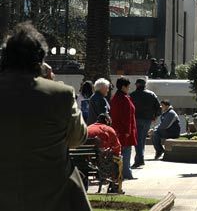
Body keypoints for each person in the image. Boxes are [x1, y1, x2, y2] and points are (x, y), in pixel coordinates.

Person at [0, 23, 91, 211]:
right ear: (40, 60)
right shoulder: (61, 94)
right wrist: (51, 83)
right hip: (52, 198)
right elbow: (77, 138)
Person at [110, 77, 138, 180]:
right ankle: (126, 173)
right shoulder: (125, 98)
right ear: (123, 86)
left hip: (117, 129)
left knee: (119, 152)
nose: (128, 88)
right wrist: (127, 131)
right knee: (126, 152)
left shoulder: (115, 97)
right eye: (127, 86)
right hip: (125, 131)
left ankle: (119, 173)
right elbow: (127, 116)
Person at [130, 78, 161, 168]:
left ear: (136, 85)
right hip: (147, 120)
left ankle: (139, 160)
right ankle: (140, 159)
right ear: (145, 85)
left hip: (136, 119)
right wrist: (154, 116)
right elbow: (158, 108)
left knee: (138, 140)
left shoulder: (132, 95)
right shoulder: (151, 94)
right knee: (142, 139)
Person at [88, 113, 123, 193]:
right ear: (107, 121)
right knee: (119, 160)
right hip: (101, 162)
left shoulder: (88, 128)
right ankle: (115, 187)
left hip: (85, 161)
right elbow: (117, 148)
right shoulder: (108, 129)